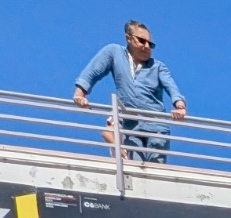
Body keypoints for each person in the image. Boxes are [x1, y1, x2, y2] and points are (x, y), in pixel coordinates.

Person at [72, 20, 186, 164]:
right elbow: (94, 70)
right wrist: (80, 93)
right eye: (142, 41)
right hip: (131, 125)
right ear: (129, 38)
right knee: (135, 168)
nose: (146, 46)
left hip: (156, 126)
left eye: (150, 44)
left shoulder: (157, 67)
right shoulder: (115, 53)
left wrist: (180, 106)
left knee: (156, 168)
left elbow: (171, 86)